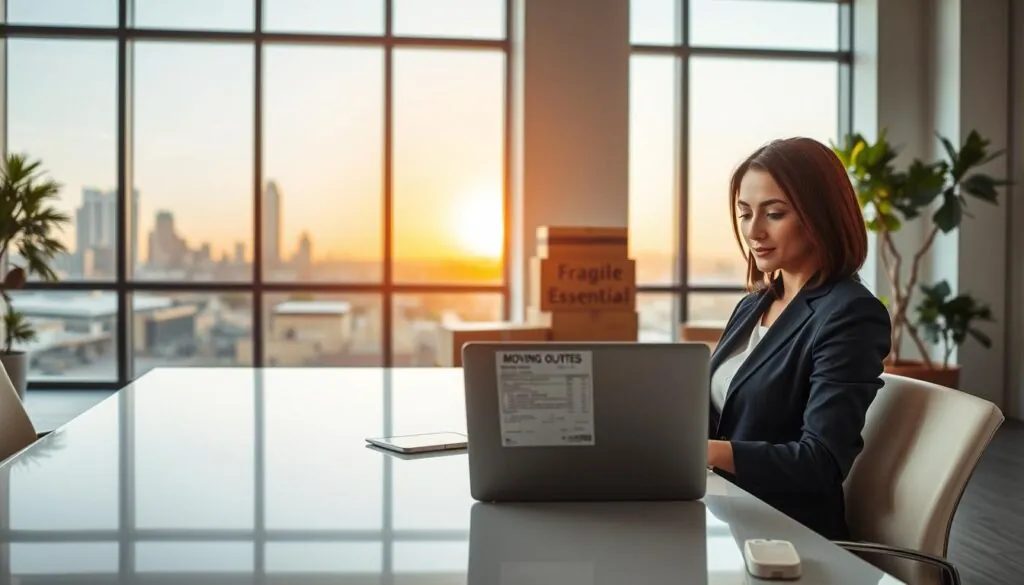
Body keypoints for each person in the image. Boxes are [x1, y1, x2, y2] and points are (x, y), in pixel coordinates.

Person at [706, 136, 892, 541]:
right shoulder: (754, 305)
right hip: (721, 507)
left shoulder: (850, 315)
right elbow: (722, 414)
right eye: (744, 213)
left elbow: (821, 461)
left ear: (820, 216)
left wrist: (702, 452)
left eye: (774, 213)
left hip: (785, 532)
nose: (754, 231)